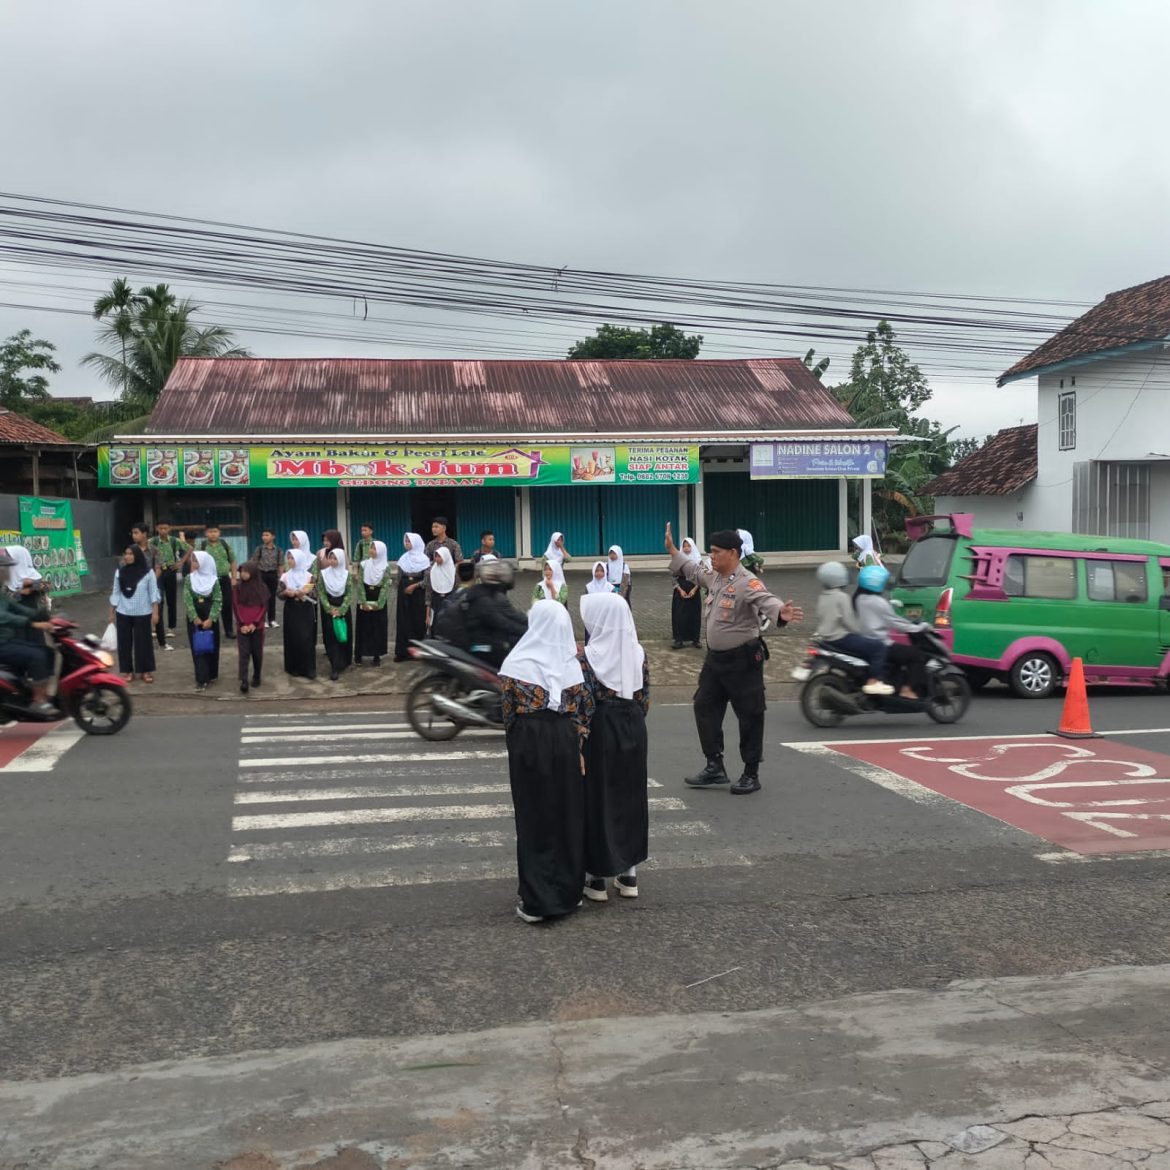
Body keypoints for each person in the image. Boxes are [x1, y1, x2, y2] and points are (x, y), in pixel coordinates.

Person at [665, 523, 803, 796]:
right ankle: (714, 765)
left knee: (750, 715)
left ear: (732, 553)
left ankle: (751, 773)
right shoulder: (714, 577)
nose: (711, 557)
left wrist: (780, 612)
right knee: (704, 707)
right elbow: (692, 569)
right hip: (715, 661)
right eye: (710, 552)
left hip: (743, 660)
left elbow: (767, 599)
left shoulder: (746, 581)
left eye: (716, 552)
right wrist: (671, 550)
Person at [499, 599, 588, 924]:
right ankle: (569, 893)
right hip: (564, 740)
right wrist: (577, 747)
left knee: (534, 815)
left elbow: (507, 712)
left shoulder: (517, 664)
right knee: (566, 813)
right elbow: (582, 710)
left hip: (529, 741)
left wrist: (519, 746)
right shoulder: (571, 665)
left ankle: (537, 900)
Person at [578, 592, 649, 903]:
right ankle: (629, 873)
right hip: (633, 723)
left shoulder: (586, 657)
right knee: (630, 796)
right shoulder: (639, 653)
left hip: (600, 727)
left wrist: (578, 740)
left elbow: (583, 703)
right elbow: (644, 699)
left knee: (597, 798)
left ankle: (595, 879)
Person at [813, 560, 893, 696]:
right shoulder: (841, 597)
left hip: (826, 638)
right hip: (840, 638)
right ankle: (874, 681)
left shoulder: (823, 596)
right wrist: (862, 633)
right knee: (878, 647)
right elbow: (849, 622)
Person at [853, 563, 928, 699]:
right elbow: (896, 623)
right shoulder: (878, 602)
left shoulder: (858, 599)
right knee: (917, 656)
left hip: (865, 643)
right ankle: (907, 689)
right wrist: (919, 628)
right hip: (882, 645)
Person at [0, 550, 56, 714]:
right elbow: (7, 609)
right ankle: (36, 699)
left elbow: (48, 585)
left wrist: (31, 586)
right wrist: (18, 592)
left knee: (42, 652)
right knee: (32, 656)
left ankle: (38, 689)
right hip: (14, 626)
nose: (8, 569)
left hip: (32, 623)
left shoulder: (31, 576)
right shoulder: (5, 587)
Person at [460, 558, 528, 668]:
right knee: (503, 650)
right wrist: (526, 631)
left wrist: (528, 624)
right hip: (477, 646)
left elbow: (511, 615)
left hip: (483, 638)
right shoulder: (484, 599)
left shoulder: (488, 593)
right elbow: (501, 622)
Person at [109, 545, 160, 683]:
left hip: (143, 612)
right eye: (126, 554)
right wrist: (112, 612)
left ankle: (145, 670)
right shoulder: (120, 572)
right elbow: (116, 592)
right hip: (123, 612)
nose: (128, 557)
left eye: (131, 554)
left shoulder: (148, 573)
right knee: (124, 643)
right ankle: (127, 671)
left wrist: (155, 612)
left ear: (137, 555)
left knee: (144, 643)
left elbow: (153, 593)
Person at [184, 550, 222, 692]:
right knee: (198, 647)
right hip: (195, 617)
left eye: (196, 561)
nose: (193, 563)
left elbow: (218, 600)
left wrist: (211, 618)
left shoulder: (214, 580)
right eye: (192, 560)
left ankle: (212, 674)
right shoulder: (189, 579)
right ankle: (201, 679)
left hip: (210, 614)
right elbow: (187, 600)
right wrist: (194, 617)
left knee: (211, 645)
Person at [278, 549, 318, 680]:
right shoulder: (285, 576)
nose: (289, 561)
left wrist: (305, 592)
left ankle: (308, 669)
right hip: (291, 609)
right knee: (292, 637)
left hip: (305, 610)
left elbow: (315, 594)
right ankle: (293, 668)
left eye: (292, 558)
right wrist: (286, 593)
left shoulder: (309, 576)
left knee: (306, 638)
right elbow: (279, 593)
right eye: (288, 558)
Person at [150, 521, 188, 650]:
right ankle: (156, 627)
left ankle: (171, 627)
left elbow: (188, 549)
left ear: (169, 529)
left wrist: (180, 563)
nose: (163, 531)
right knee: (157, 600)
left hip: (171, 571)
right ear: (156, 528)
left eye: (165, 528)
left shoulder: (174, 541)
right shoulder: (152, 542)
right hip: (157, 572)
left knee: (172, 600)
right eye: (161, 528)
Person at [317, 547, 354, 681]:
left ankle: (344, 662)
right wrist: (329, 608)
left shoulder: (346, 574)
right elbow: (321, 592)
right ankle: (334, 666)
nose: (332, 561)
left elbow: (349, 593)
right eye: (330, 558)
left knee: (342, 636)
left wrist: (341, 609)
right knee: (331, 637)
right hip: (329, 609)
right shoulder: (323, 574)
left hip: (342, 608)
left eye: (335, 558)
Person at [233, 562, 269, 693]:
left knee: (257, 653)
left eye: (246, 571)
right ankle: (243, 680)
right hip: (242, 626)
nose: (243, 574)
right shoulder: (238, 588)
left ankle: (257, 675)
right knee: (243, 653)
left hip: (257, 626)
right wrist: (242, 624)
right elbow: (236, 606)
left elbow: (264, 607)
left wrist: (255, 623)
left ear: (252, 572)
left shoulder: (262, 587)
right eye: (241, 571)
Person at [354, 539, 391, 666]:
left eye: (374, 549)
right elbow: (359, 584)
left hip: (378, 599)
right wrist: (363, 602)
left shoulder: (386, 567)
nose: (372, 551)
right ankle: (359, 654)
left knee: (377, 628)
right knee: (363, 627)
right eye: (371, 548)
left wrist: (379, 604)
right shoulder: (364, 564)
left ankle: (376, 655)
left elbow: (386, 586)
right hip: (365, 596)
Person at [394, 532, 429, 662]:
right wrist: (401, 589)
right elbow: (398, 577)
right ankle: (402, 652)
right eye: (406, 541)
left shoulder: (424, 559)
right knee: (403, 620)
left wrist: (414, 586)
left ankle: (417, 652)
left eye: (409, 541)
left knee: (417, 620)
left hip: (418, 591)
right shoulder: (403, 558)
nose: (406, 543)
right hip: (404, 591)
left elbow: (426, 579)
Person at [199, 525, 237, 639]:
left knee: (227, 605)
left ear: (219, 532)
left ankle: (229, 630)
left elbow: (233, 561)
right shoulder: (201, 546)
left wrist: (234, 578)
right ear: (206, 533)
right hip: (207, 581)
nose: (213, 534)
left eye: (215, 531)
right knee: (209, 605)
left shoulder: (225, 544)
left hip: (224, 579)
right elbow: (195, 562)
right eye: (210, 531)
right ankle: (211, 630)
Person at [671, 535, 703, 649]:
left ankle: (696, 640)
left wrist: (695, 589)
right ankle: (679, 640)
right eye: (684, 546)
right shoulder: (678, 560)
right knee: (679, 615)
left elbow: (701, 577)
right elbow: (673, 577)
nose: (686, 548)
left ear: (693, 547)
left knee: (694, 615)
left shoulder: (699, 561)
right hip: (680, 589)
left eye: (688, 546)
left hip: (694, 588)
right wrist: (679, 589)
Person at [249, 529, 284, 629]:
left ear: (273, 537)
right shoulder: (259, 549)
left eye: (267, 535)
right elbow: (254, 562)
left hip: (273, 575)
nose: (264, 537)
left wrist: (281, 577)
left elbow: (280, 564)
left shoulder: (278, 550)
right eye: (263, 535)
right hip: (261, 574)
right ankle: (262, 619)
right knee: (261, 597)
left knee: (271, 598)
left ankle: (272, 620)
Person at [426, 545, 457, 631]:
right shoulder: (432, 571)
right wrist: (427, 615)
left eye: (439, 556)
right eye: (436, 556)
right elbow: (429, 594)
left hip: (450, 604)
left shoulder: (453, 572)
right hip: (436, 603)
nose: (437, 558)